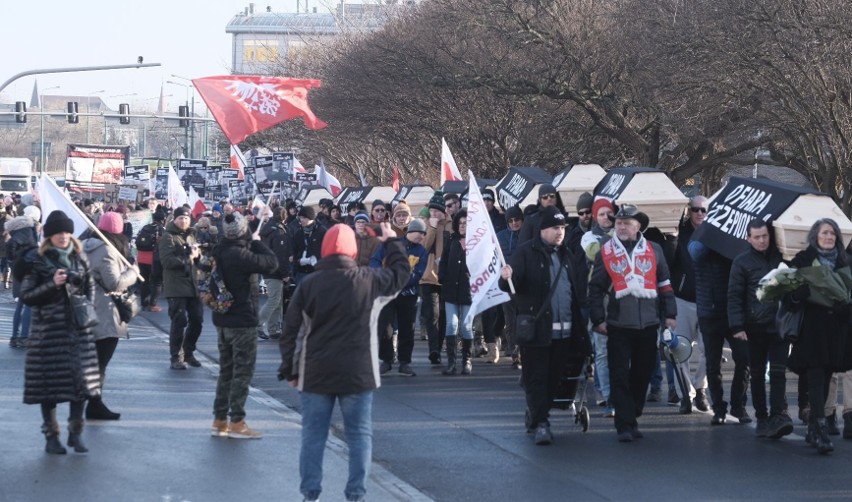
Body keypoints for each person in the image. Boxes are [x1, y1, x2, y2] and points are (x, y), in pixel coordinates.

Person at [279, 222, 408, 502]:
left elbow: (290, 332)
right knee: (360, 436)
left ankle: (310, 494)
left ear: (324, 249)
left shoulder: (308, 284)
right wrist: (392, 242)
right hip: (358, 371)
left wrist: (289, 368)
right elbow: (400, 275)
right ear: (352, 251)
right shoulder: (369, 279)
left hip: (315, 371)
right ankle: (356, 495)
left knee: (313, 436)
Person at [499, 206, 590, 445]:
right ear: (542, 230)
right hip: (536, 331)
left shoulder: (567, 254)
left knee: (554, 379)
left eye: (562, 228)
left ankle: (536, 412)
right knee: (537, 377)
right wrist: (506, 275)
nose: (559, 232)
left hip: (565, 332)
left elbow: (575, 291)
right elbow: (510, 284)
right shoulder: (525, 252)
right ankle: (541, 423)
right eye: (555, 228)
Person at [588, 204, 677, 442]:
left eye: (627, 223)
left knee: (642, 373)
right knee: (619, 374)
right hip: (618, 324)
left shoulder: (655, 250)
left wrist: (670, 314)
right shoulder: (605, 252)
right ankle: (625, 424)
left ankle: (633, 412)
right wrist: (598, 319)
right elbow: (595, 288)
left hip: (648, 323)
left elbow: (665, 284)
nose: (622, 227)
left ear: (638, 226)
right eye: (618, 223)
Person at [20, 211, 101, 454]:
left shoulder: (79, 257)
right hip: (48, 334)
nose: (63, 236)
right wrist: (51, 284)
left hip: (78, 332)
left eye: (66, 231)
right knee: (49, 389)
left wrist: (85, 307)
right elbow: (26, 297)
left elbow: (91, 288)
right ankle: (51, 437)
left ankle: (76, 433)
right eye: (58, 232)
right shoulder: (36, 260)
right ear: (49, 236)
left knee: (81, 385)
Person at [785, 218, 852, 454]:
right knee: (815, 375)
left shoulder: (845, 261)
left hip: (836, 329)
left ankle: (814, 423)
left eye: (833, 234)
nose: (829, 237)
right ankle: (821, 427)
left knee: (825, 377)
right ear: (816, 236)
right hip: (811, 329)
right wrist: (797, 295)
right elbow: (786, 296)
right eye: (825, 233)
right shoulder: (803, 260)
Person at [210, 212, 278, 439]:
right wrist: (258, 243)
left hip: (222, 318)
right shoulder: (240, 255)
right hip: (242, 320)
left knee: (226, 371)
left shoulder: (219, 251)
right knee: (242, 372)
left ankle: (220, 420)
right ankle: (237, 420)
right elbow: (271, 263)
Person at [727, 219, 792, 439]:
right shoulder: (741, 262)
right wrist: (737, 326)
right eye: (757, 237)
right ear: (748, 238)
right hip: (753, 328)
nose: (762, 240)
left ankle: (778, 416)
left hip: (780, 325)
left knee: (778, 373)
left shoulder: (782, 256)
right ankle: (762, 418)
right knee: (756, 374)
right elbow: (734, 296)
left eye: (764, 236)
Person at [82, 212, 140, 421]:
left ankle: (94, 403)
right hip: (104, 310)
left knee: (95, 362)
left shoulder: (86, 244)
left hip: (89, 307)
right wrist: (133, 272)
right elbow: (114, 282)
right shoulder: (106, 249)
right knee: (100, 363)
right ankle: (93, 405)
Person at [689, 234, 751, 425]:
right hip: (710, 312)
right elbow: (695, 252)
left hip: (735, 312)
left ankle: (738, 405)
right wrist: (715, 239)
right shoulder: (701, 238)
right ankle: (719, 408)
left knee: (744, 359)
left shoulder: (737, 240)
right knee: (712, 364)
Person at [371, 218, 428, 376]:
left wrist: (400, 281)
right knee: (385, 328)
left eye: (424, 234)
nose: (422, 236)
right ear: (411, 231)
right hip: (387, 293)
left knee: (407, 329)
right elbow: (375, 260)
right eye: (420, 232)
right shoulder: (393, 245)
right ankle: (387, 361)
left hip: (408, 294)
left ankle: (405, 362)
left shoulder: (422, 251)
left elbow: (418, 273)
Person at [669, 196, 710, 413]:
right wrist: (673, 239)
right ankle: (686, 393)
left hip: (707, 300)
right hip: (682, 299)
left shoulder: (715, 234)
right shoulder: (680, 232)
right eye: (695, 209)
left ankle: (701, 389)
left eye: (703, 210)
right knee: (680, 350)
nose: (699, 213)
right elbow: (668, 261)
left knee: (708, 349)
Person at [159, 206, 204, 370]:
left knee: (197, 319)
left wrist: (199, 256)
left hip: (193, 284)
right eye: (180, 218)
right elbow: (167, 262)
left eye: (186, 218)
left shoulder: (192, 235)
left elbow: (198, 261)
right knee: (179, 321)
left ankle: (189, 351)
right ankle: (176, 357)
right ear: (174, 219)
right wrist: (188, 258)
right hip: (176, 285)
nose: (184, 221)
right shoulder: (168, 237)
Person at [439, 210, 474, 375]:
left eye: (466, 223)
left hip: (469, 290)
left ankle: (467, 360)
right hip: (451, 288)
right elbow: (444, 261)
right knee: (451, 324)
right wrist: (442, 277)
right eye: (460, 223)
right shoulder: (451, 241)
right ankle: (451, 362)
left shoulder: (476, 242)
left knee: (466, 326)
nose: (462, 226)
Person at [421, 191, 452, 365]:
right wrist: (432, 227)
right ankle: (433, 350)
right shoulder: (424, 225)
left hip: (446, 276)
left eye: (437, 211)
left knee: (443, 316)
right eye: (432, 210)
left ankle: (439, 348)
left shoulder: (450, 225)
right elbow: (424, 248)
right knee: (431, 315)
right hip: (428, 276)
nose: (434, 213)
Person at [6, 210, 39, 348]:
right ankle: (24, 336)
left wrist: (14, 261)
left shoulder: (22, 229)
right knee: (28, 305)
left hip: (21, 269)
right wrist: (14, 259)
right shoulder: (27, 230)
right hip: (27, 270)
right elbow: (11, 244)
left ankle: (15, 336)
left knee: (21, 304)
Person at [257, 207, 292, 340]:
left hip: (268, 268)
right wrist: (284, 273)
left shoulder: (268, 228)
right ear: (284, 216)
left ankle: (273, 329)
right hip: (275, 270)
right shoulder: (278, 231)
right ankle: (258, 325)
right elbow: (280, 255)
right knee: (274, 300)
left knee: (277, 301)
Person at [497, 205, 524, 369]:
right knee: (510, 321)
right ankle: (515, 354)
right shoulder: (500, 237)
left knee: (523, 320)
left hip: (523, 284)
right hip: (506, 284)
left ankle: (523, 351)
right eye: (511, 220)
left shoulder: (527, 235)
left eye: (517, 220)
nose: (514, 223)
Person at [135, 207, 166, 312]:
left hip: (141, 257)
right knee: (157, 281)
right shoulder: (162, 229)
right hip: (153, 258)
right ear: (163, 219)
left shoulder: (145, 227)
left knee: (144, 281)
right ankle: (152, 304)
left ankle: (144, 303)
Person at [292, 206, 327, 285]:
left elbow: (326, 251)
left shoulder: (322, 231)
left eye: (304, 218)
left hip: (317, 271)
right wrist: (298, 261)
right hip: (301, 272)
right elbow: (294, 251)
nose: (302, 220)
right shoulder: (299, 233)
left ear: (311, 217)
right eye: (300, 218)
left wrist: (318, 260)